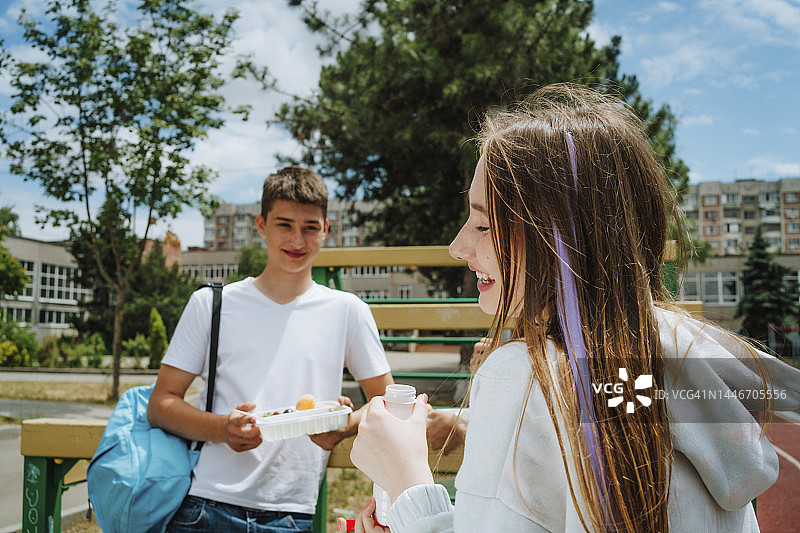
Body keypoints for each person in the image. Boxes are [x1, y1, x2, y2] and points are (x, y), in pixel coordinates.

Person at [341, 84, 800, 533]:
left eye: (482, 224)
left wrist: (408, 491)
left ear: (560, 238)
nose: (458, 246)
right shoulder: (666, 354)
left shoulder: (521, 375)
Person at [147, 166, 394, 532]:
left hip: (292, 514)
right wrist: (221, 428)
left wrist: (345, 424)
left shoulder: (348, 311)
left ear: (326, 230)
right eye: (284, 224)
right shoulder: (210, 304)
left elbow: (389, 402)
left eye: (310, 227)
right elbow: (161, 405)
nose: (297, 239)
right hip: (205, 505)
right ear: (261, 225)